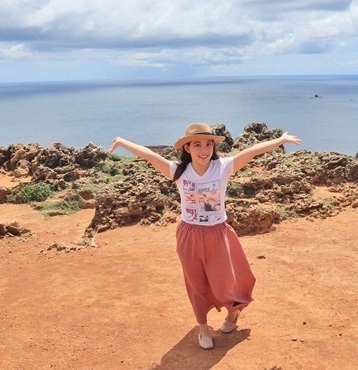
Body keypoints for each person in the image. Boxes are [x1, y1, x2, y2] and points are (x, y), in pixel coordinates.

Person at [109, 123, 302, 349]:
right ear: (188, 148)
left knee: (224, 282)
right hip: (189, 235)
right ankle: (203, 327)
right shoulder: (178, 171)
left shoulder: (223, 167)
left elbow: (252, 151)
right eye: (197, 144)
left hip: (217, 234)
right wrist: (122, 142)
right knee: (196, 285)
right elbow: (150, 155)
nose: (204, 150)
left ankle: (233, 312)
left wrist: (281, 140)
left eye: (208, 144)